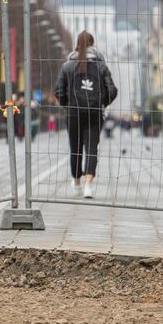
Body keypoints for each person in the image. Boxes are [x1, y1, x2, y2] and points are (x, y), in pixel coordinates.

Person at [54, 31, 118, 199]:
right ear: (92, 44)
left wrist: (67, 105)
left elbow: (58, 90)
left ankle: (76, 183)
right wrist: (101, 104)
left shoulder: (67, 66)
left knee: (75, 149)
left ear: (77, 44)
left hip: (73, 114)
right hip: (94, 114)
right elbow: (112, 90)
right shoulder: (101, 66)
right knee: (91, 149)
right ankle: (88, 186)